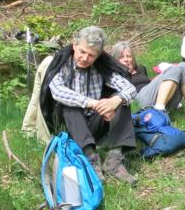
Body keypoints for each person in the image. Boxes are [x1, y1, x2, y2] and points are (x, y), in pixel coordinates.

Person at [38, 25, 139, 185]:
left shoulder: (101, 66)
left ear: (98, 55)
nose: (85, 58)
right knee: (69, 105)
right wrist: (92, 103)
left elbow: (130, 88)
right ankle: (91, 159)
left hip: (94, 124)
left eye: (91, 55)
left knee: (121, 99)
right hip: (70, 127)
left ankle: (114, 160)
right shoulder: (62, 63)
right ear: (74, 45)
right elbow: (57, 91)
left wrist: (114, 101)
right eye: (82, 52)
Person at [109, 40, 185, 129]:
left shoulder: (141, 69)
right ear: (115, 60)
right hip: (138, 99)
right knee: (173, 69)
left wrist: (161, 77)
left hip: (153, 97)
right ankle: (159, 114)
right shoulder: (115, 76)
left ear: (133, 58)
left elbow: (149, 85)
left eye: (128, 56)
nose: (126, 59)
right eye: (121, 57)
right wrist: (125, 71)